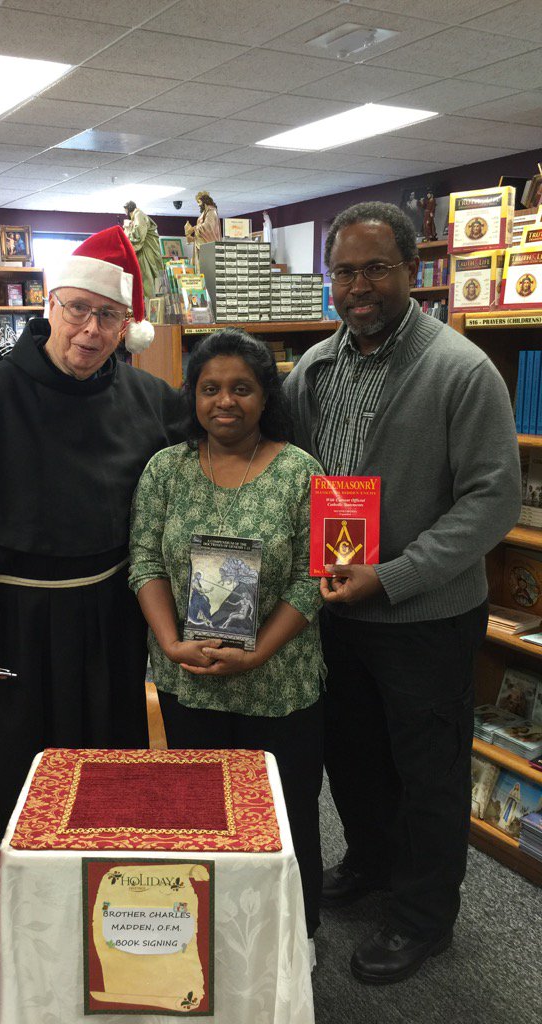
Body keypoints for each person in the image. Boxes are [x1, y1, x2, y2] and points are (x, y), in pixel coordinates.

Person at [283, 201, 521, 984]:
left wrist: (393, 574)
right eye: (343, 271)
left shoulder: (460, 370)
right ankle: (374, 862)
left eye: (374, 268)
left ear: (411, 274)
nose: (358, 286)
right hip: (336, 609)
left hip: (423, 616)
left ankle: (425, 918)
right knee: (352, 756)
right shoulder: (316, 367)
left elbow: (491, 502)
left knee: (428, 770)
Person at [0, 226, 188, 838]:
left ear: (126, 328)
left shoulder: (147, 398)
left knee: (104, 762)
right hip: (13, 625)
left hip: (111, 619)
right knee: (19, 777)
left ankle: (101, 880)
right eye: (79, 310)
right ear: (51, 308)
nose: (90, 330)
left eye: (108, 316)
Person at [129, 328, 325, 947]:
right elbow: (145, 563)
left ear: (266, 396)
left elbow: (314, 575)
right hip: (193, 677)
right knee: (202, 813)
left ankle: (296, 934)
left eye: (242, 388)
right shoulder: (166, 470)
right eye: (209, 388)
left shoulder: (300, 471)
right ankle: (209, 933)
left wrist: (262, 650)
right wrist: (170, 644)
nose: (225, 401)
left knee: (286, 813)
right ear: (192, 397)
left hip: (280, 680)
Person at [124, 201, 163, 299]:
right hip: (145, 249)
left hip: (145, 250)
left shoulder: (138, 215)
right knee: (148, 277)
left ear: (128, 209)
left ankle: (153, 306)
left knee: (148, 277)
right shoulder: (137, 216)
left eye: (125, 211)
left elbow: (138, 235)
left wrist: (127, 231)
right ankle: (152, 304)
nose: (125, 213)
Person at [184, 192, 221, 271]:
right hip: (201, 247)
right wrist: (191, 238)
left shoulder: (211, 211)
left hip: (208, 247)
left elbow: (208, 227)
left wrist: (193, 229)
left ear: (204, 201)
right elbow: (202, 234)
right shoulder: (205, 212)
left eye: (199, 202)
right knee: (200, 268)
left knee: (206, 269)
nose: (198, 205)